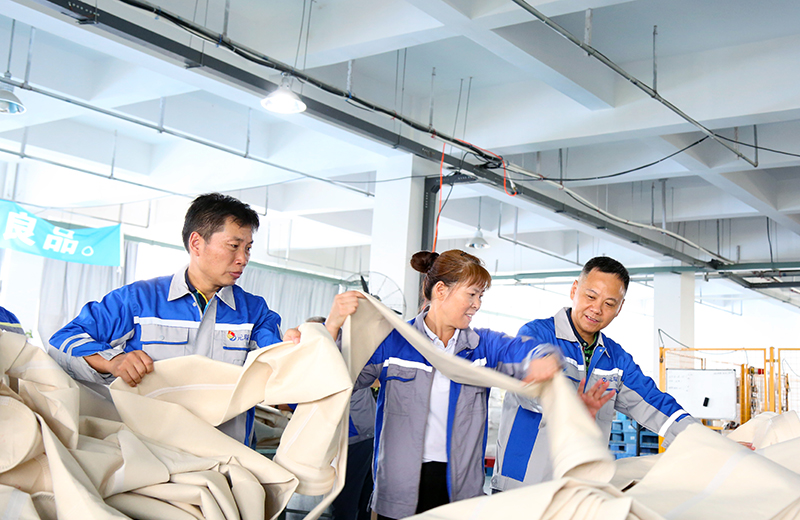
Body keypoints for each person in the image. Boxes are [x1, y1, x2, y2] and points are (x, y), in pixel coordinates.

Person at [325, 249, 561, 520]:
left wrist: (542, 358)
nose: (477, 304)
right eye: (471, 294)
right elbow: (338, 380)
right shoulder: (394, 342)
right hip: (399, 490)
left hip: (459, 491)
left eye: (480, 296)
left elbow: (524, 350)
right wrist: (332, 326)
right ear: (441, 290)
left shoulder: (482, 346)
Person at [48, 193, 289, 446]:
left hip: (226, 453)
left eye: (248, 248)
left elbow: (281, 365)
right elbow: (62, 343)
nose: (243, 259)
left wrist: (298, 346)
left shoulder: (254, 312)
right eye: (233, 246)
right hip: (151, 451)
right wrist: (113, 362)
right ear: (196, 243)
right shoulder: (140, 300)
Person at [491, 256, 699, 492]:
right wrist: (570, 406)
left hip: (580, 489)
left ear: (619, 308)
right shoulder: (537, 335)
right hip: (522, 486)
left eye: (609, 303)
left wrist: (702, 440)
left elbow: (655, 403)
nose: (597, 309)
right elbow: (528, 389)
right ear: (574, 290)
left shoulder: (616, 360)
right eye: (591, 296)